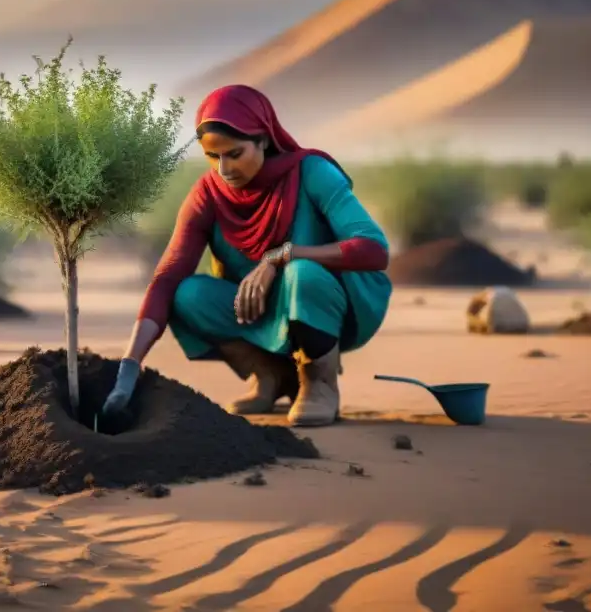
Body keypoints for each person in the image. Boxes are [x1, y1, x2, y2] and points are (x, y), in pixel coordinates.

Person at [102, 84, 392, 427]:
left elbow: (374, 250)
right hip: (257, 307)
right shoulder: (208, 194)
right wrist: (130, 364)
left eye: (234, 154)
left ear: (264, 140)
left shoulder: (311, 172)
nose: (223, 169)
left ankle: (320, 382)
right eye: (213, 156)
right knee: (185, 293)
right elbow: (167, 277)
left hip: (330, 302)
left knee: (303, 273)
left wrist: (281, 256)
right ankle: (270, 375)